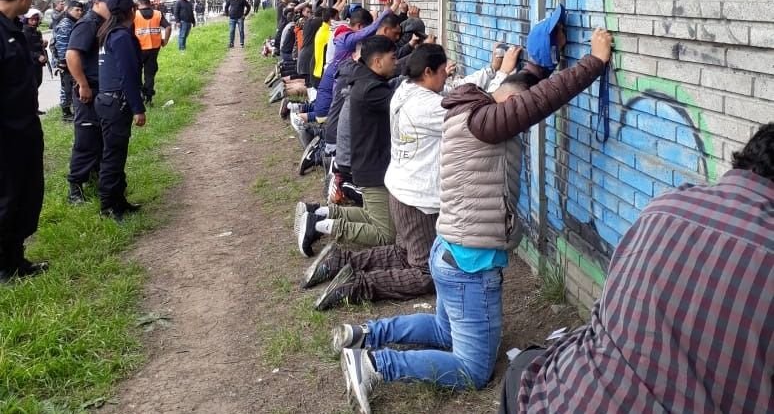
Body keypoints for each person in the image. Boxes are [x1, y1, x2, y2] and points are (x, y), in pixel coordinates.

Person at [334, 26, 614, 414]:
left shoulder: (463, 106)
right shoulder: (486, 123)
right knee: (474, 369)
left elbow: (524, 89)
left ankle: (365, 334)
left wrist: (536, 66)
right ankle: (376, 364)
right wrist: (594, 62)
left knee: (444, 329)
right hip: (470, 264)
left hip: (449, 252)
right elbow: (543, 100)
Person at [499, 122, 774, 414]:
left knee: (523, 367)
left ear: (745, 160)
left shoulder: (666, 206)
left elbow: (609, 308)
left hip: (558, 400)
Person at [305, 44, 449, 311]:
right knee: (420, 268)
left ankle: (340, 261)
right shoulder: (378, 91)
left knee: (400, 250)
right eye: (444, 73)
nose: (397, 63)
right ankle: (354, 285)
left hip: (392, 180)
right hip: (387, 178)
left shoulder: (387, 87)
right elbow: (465, 117)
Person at [296, 35, 399, 257]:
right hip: (372, 167)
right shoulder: (371, 89)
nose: (397, 62)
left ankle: (320, 214)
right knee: (386, 235)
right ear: (378, 61)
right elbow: (401, 101)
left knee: (373, 215)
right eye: (394, 58)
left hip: (367, 162)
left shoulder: (362, 79)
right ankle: (318, 226)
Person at [0, 0, 49, 282]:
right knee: (6, 198)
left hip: (24, 129)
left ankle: (16, 259)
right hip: (5, 134)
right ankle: (3, 268)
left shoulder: (15, 28)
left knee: (26, 195)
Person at [95, 0, 146, 221]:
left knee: (116, 154)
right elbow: (128, 75)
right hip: (117, 102)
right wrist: (138, 108)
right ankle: (108, 206)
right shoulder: (121, 37)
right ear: (131, 12)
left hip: (107, 100)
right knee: (113, 156)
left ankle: (118, 201)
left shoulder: (107, 33)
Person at [65, 0, 115, 204]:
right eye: (108, 4)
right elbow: (72, 54)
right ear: (96, 3)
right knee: (86, 139)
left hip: (101, 90)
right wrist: (83, 84)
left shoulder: (104, 23)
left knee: (100, 137)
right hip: (88, 90)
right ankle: (75, 188)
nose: (111, 9)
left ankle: (95, 175)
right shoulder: (88, 23)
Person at [134, 0, 171, 106]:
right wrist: (165, 41)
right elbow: (168, 27)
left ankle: (139, 95)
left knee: (137, 72)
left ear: (139, 2)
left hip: (138, 49)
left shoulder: (134, 15)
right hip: (154, 49)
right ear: (149, 2)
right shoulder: (157, 14)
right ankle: (148, 98)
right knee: (150, 74)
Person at [53, 0, 84, 121]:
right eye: (77, 10)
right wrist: (63, 62)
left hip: (73, 59)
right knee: (66, 87)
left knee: (73, 85)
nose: (79, 12)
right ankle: (66, 112)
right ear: (69, 10)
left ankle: (72, 108)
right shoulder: (65, 24)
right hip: (65, 62)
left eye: (81, 10)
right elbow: (62, 46)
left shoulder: (74, 22)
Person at [22, 8, 48, 110]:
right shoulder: (24, 32)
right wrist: (37, 56)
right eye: (32, 19)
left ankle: (34, 108)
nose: (34, 22)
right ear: (27, 19)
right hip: (30, 63)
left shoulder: (37, 32)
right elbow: (25, 50)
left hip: (38, 64)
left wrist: (43, 44)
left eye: (36, 19)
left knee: (37, 84)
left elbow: (36, 46)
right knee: (31, 87)